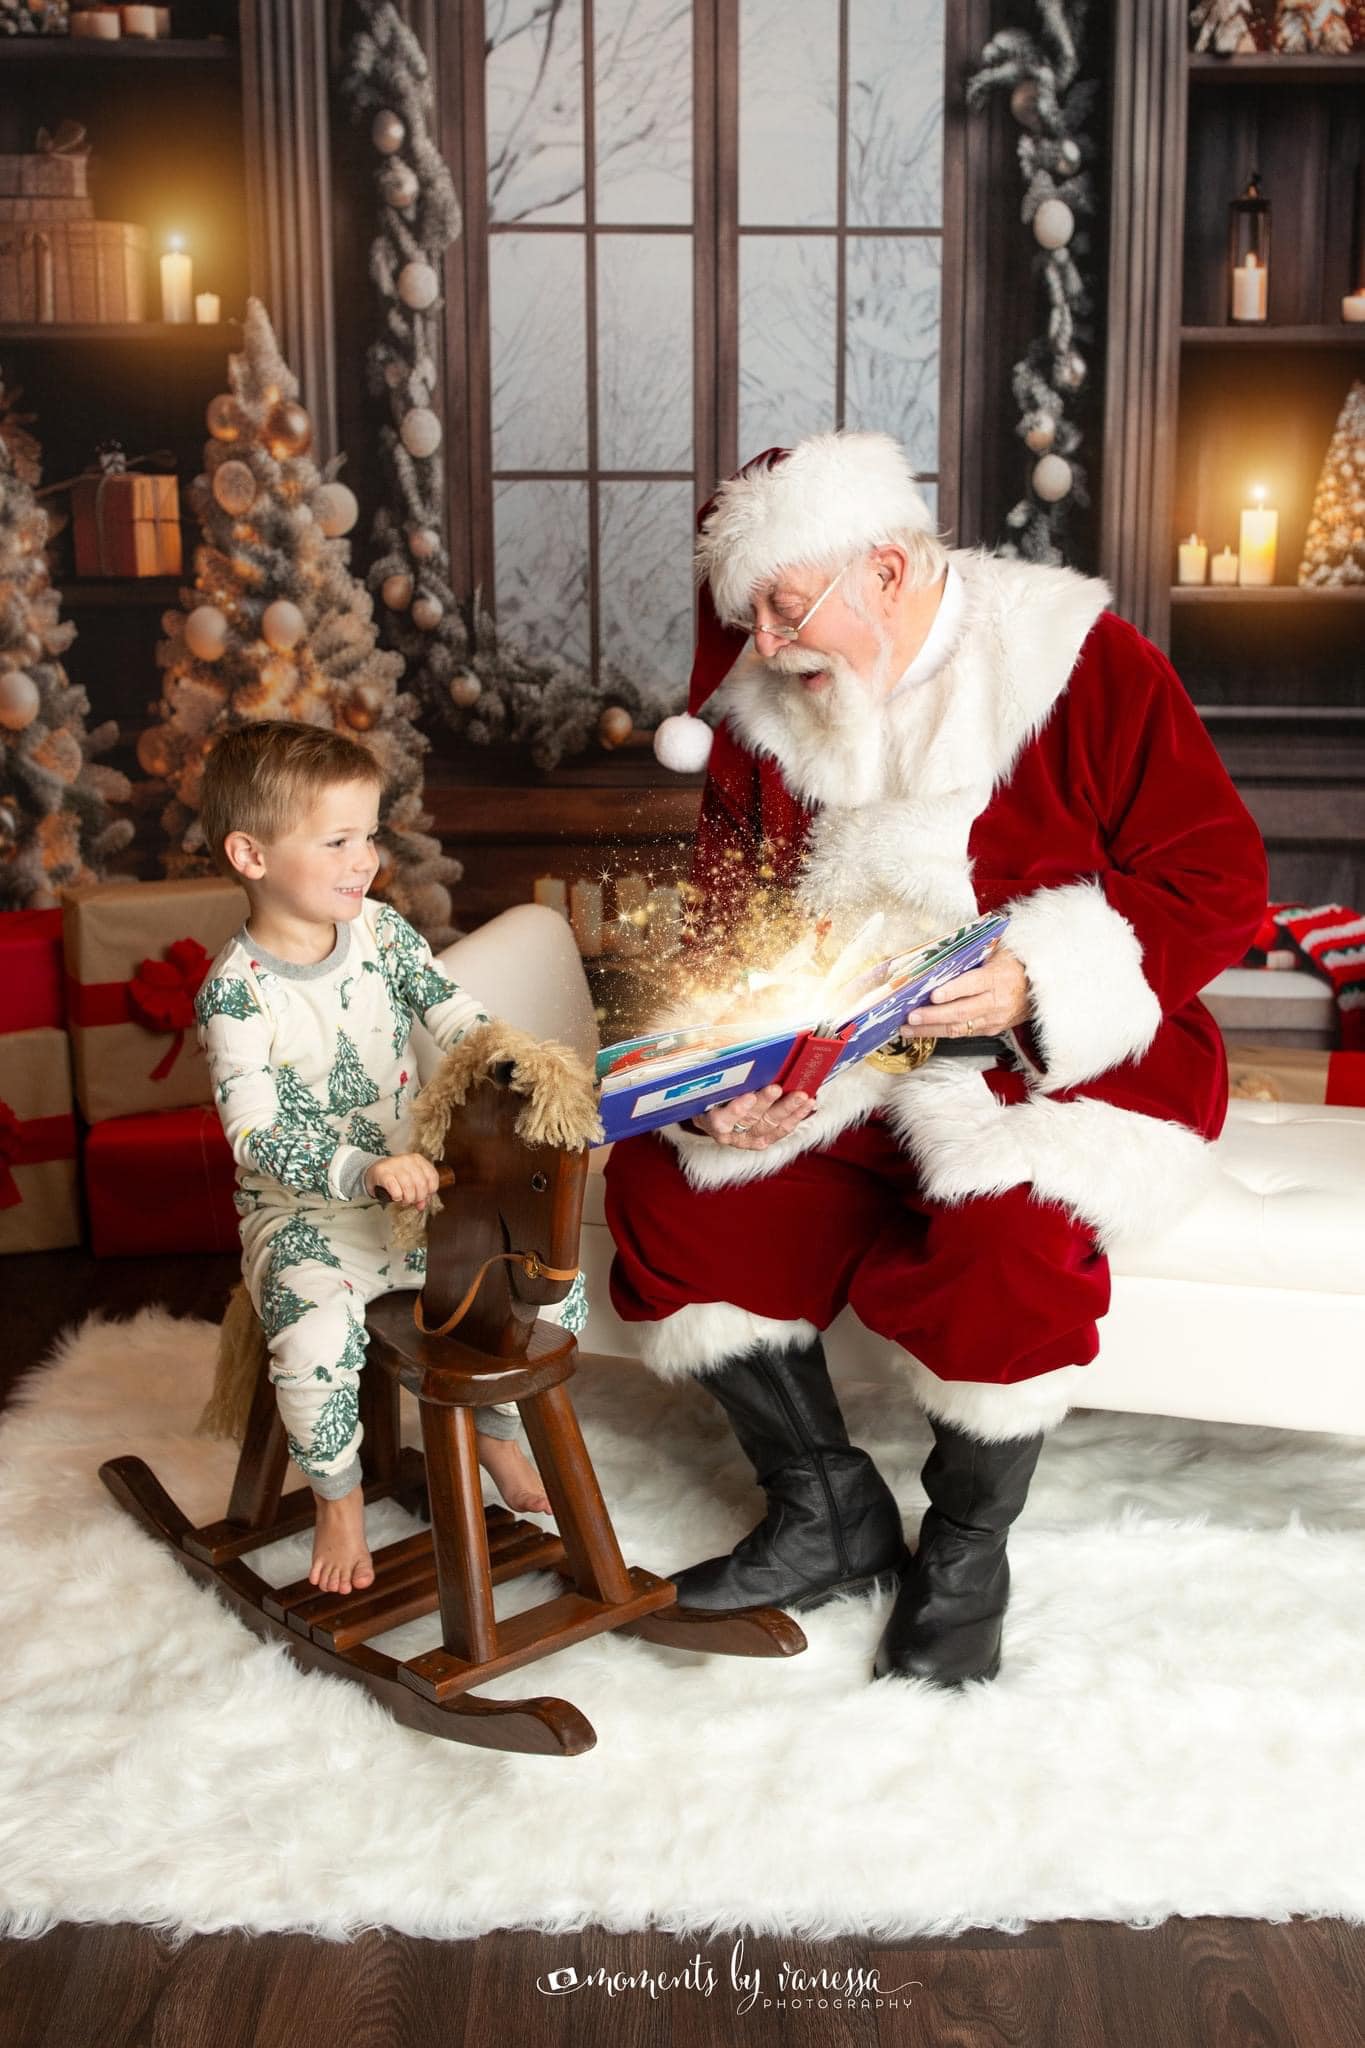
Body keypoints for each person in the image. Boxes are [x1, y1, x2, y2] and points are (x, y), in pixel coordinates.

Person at [606, 431, 1268, 1687]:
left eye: (788, 603)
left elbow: (1220, 880)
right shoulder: (767, 717)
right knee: (670, 1186)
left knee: (1008, 1239)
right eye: (751, 611)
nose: (766, 638)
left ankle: (966, 1548)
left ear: (893, 568)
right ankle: (826, 1507)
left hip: (1040, 1063)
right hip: (845, 1063)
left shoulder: (1078, 661)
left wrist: (1039, 977)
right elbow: (728, 927)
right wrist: (733, 1076)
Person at [197, 721, 573, 1598]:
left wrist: (510, 1061)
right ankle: (339, 1496)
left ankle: (496, 1433)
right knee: (315, 1336)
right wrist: (358, 1170)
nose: (362, 857)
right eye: (335, 841)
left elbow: (449, 1010)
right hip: (309, 1216)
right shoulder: (238, 995)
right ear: (251, 854)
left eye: (366, 834)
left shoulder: (381, 931)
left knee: (528, 1282)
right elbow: (255, 1133)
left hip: (415, 1196)